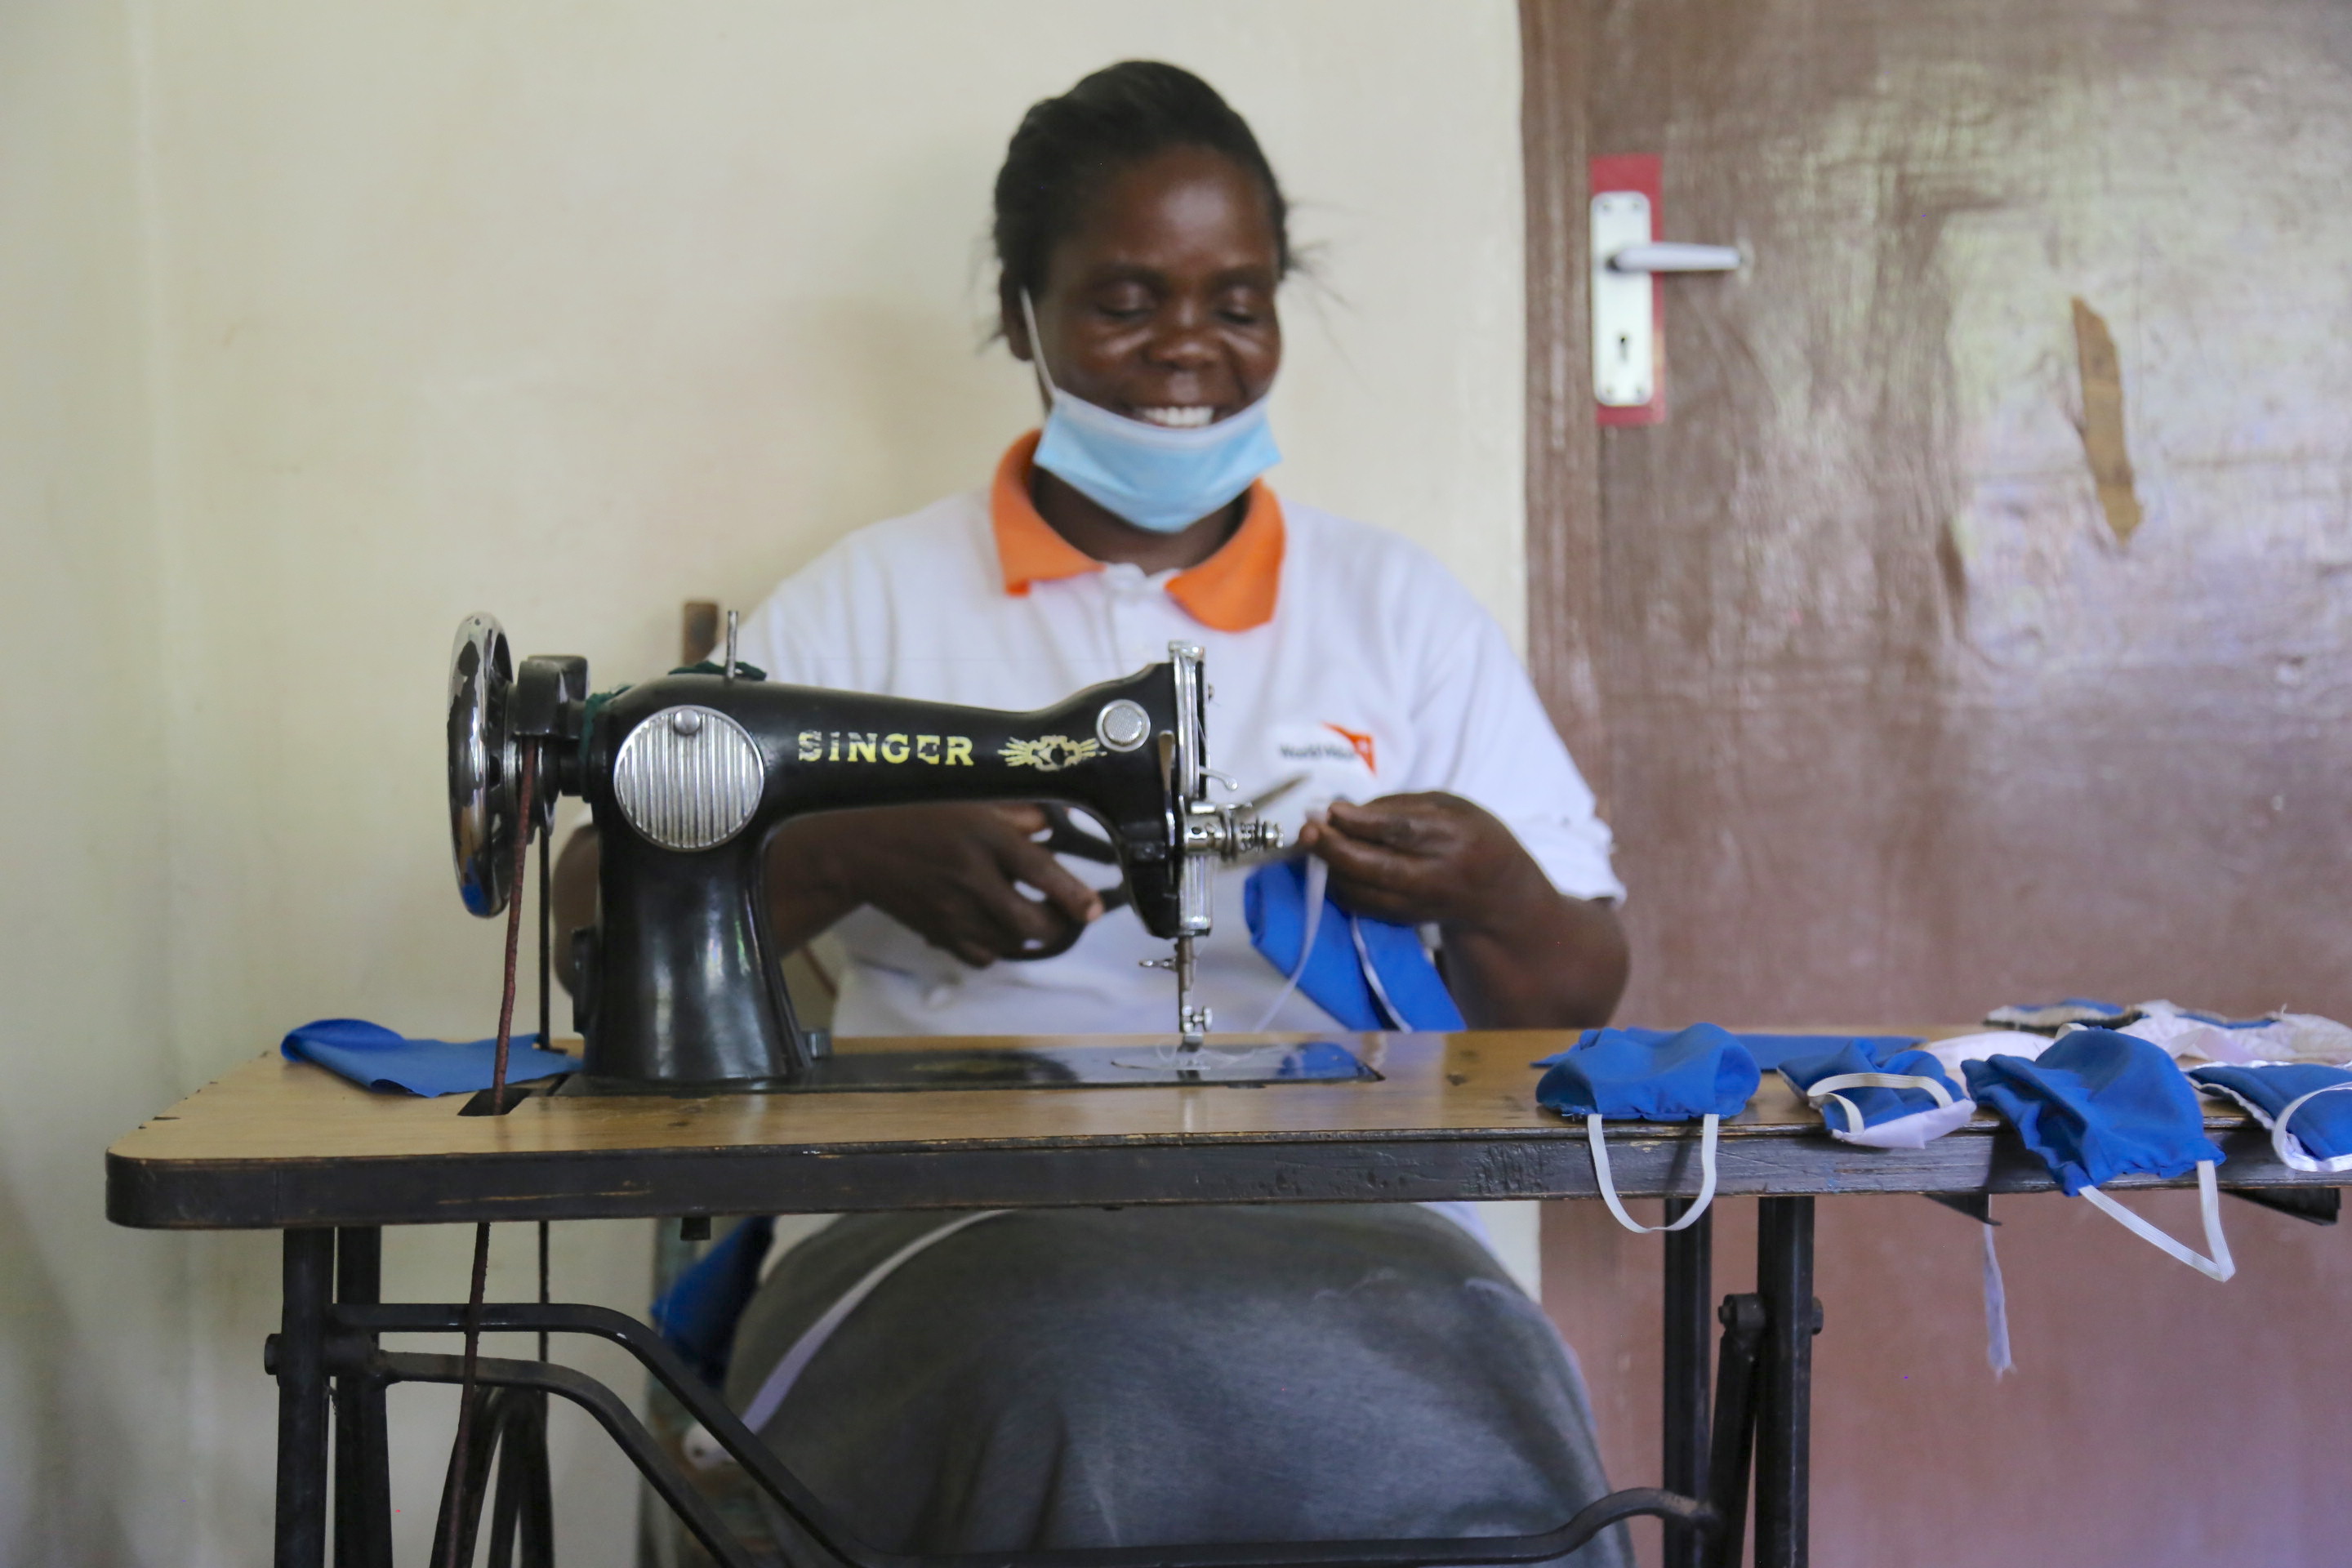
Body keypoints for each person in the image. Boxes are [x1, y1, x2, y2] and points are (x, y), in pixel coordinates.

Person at [563, 61, 1634, 1564]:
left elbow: (1571, 991)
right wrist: (851, 847)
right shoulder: (871, 603)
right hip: (925, 1206)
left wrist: (1494, 889)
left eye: (1238, 301)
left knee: (1479, 1382)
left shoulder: (1395, 609)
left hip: (1338, 1204)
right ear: (1023, 317)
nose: (1189, 348)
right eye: (1127, 301)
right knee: (1076, 1374)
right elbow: (598, 911)